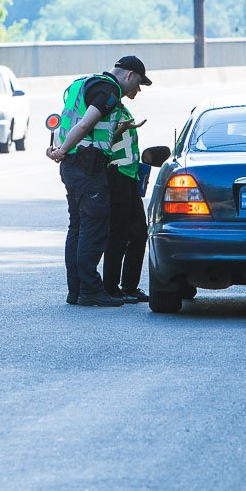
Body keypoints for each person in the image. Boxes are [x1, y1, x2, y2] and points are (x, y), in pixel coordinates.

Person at [47, 56, 152, 307]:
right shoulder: (108, 90)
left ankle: (77, 291)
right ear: (129, 75)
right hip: (87, 167)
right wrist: (61, 151)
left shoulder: (84, 84)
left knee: (78, 228)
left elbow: (76, 125)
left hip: (74, 165)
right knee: (94, 230)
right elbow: (84, 125)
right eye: (139, 81)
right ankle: (91, 290)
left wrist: (59, 149)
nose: (137, 88)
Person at [102, 98, 150, 303]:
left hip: (130, 176)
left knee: (139, 233)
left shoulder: (122, 108)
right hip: (116, 175)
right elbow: (100, 144)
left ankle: (130, 287)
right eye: (137, 83)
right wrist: (121, 129)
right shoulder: (105, 109)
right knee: (118, 234)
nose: (138, 90)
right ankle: (111, 288)